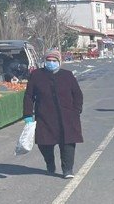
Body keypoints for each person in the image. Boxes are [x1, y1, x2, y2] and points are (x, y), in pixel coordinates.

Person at [23, 49, 84, 178]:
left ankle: (67, 170)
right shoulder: (36, 75)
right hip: (45, 116)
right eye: (48, 60)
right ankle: (49, 162)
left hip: (67, 116)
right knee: (44, 144)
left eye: (54, 61)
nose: (51, 63)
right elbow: (29, 96)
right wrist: (28, 114)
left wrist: (76, 110)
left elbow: (77, 94)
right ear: (44, 61)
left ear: (59, 62)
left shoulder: (67, 75)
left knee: (68, 143)